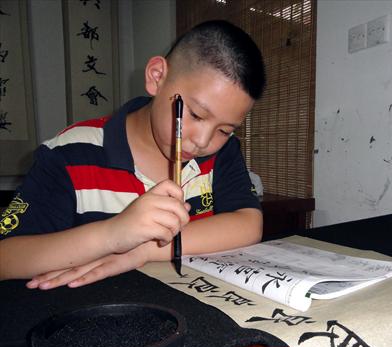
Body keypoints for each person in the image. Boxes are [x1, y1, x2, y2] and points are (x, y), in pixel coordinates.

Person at [0, 20, 265, 289]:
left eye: (224, 129)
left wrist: (145, 250)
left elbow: (248, 223)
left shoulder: (222, 152)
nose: (202, 141)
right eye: (195, 114)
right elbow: (6, 257)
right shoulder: (69, 154)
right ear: (156, 76)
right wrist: (113, 234)